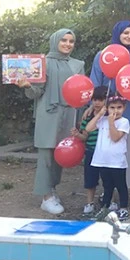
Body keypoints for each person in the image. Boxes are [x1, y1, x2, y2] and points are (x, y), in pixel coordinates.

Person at [17, 29, 85, 214]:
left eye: (71, 41)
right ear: (55, 41)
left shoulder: (78, 64)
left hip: (69, 113)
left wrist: (80, 117)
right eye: (63, 40)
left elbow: (81, 91)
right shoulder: (42, 63)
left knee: (61, 153)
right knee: (47, 154)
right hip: (48, 113)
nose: (67, 44)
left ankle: (52, 189)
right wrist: (28, 86)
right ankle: (46, 197)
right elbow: (37, 92)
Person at [90, 21, 130, 207]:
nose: (129, 36)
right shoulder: (103, 55)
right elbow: (95, 83)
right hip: (110, 112)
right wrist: (95, 107)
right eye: (125, 33)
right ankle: (110, 192)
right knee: (111, 151)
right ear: (117, 34)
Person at [88, 96, 130, 221]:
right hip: (102, 160)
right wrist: (99, 114)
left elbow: (115, 137)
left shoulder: (124, 122)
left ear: (124, 108)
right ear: (107, 108)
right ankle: (105, 208)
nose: (115, 111)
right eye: (112, 107)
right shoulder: (103, 120)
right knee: (107, 186)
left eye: (119, 107)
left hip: (117, 161)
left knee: (121, 185)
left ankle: (123, 208)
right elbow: (88, 129)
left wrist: (111, 122)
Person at [71, 86, 108, 216]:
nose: (97, 103)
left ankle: (109, 201)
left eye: (100, 100)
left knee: (108, 179)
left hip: (105, 153)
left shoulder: (110, 116)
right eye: (94, 100)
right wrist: (77, 135)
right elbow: (85, 136)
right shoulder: (87, 116)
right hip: (91, 151)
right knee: (90, 179)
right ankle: (89, 203)